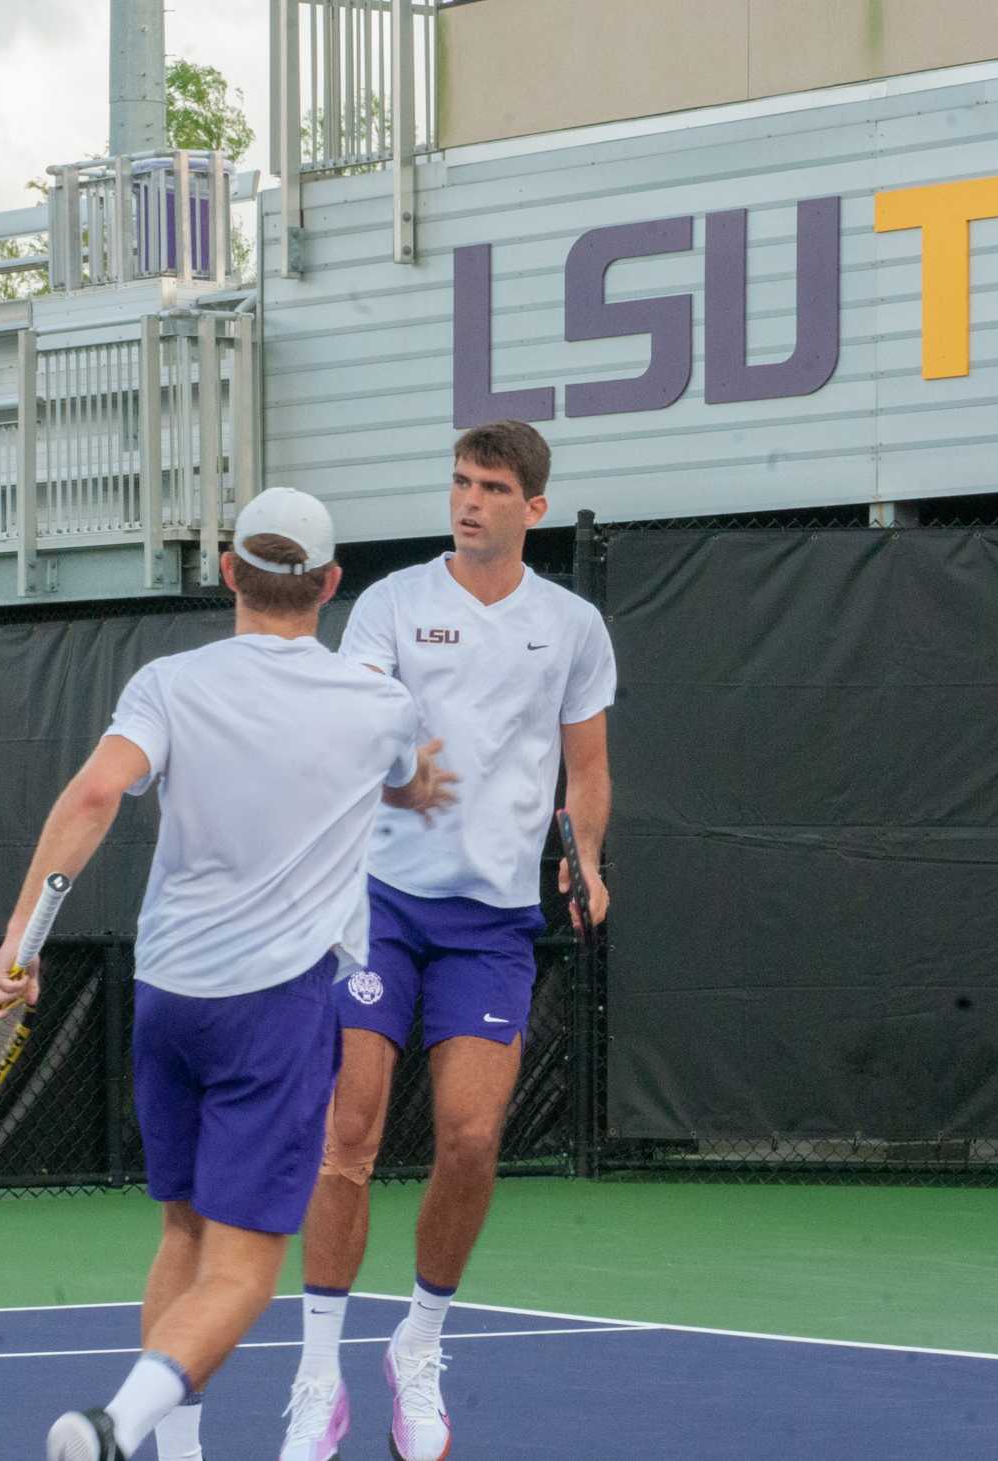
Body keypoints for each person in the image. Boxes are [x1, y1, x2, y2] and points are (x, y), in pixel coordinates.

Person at [0, 488, 457, 1461]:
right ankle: (115, 1424)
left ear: (229, 571)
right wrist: (419, 783)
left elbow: (97, 791)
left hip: (167, 1002)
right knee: (242, 1272)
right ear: (329, 586)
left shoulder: (167, 685)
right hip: (271, 1012)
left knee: (181, 1233)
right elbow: (407, 777)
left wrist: (21, 944)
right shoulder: (380, 705)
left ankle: (177, 1452)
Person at [280, 420, 617, 1461]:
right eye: (460, 482)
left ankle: (416, 1347)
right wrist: (393, 772)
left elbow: (587, 771)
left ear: (533, 509)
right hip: (379, 901)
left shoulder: (571, 626)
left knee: (471, 1140)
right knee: (352, 1132)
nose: (468, 501)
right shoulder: (388, 605)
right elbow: (357, 729)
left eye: (491, 487)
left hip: (492, 925)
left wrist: (588, 855)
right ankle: (314, 1371)